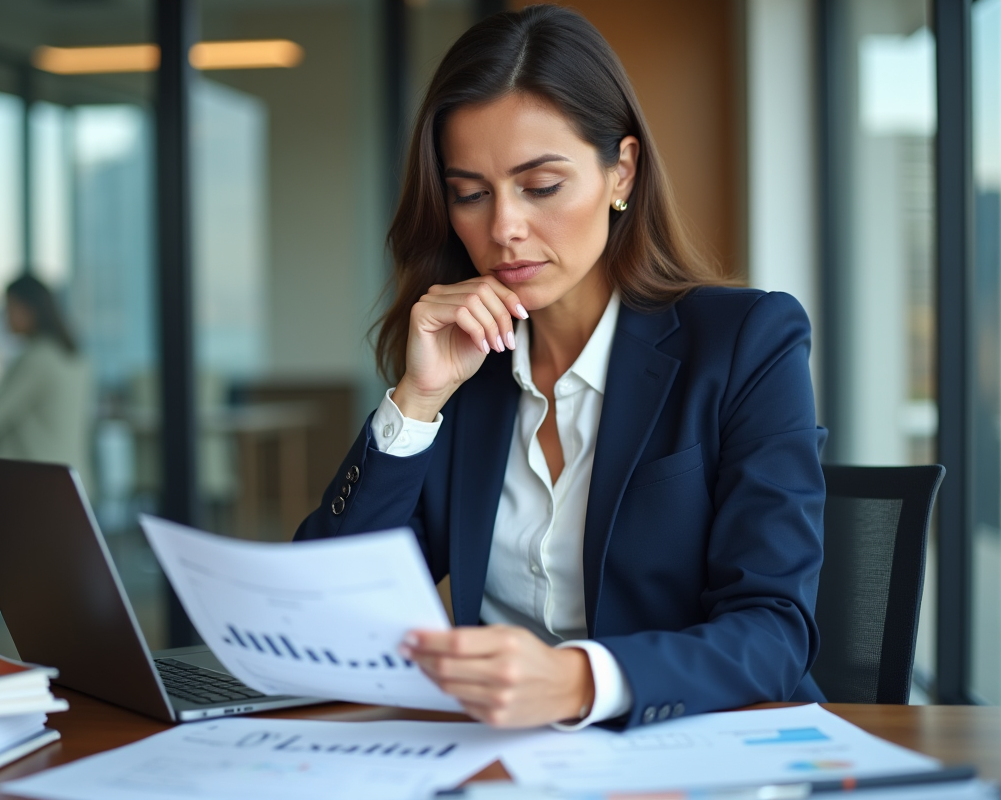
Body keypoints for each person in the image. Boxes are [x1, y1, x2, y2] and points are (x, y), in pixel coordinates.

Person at [294, 5, 825, 731]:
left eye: (540, 186)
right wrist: (416, 401)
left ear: (621, 171)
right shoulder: (465, 364)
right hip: (505, 762)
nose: (503, 228)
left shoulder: (745, 343)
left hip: (699, 752)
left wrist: (578, 681)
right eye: (470, 194)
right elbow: (327, 607)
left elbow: (773, 632)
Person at [0, 274, 93, 495]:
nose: (2, 317)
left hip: (39, 492)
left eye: (7, 308)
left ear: (29, 309)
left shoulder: (37, 360)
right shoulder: (75, 358)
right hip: (72, 487)